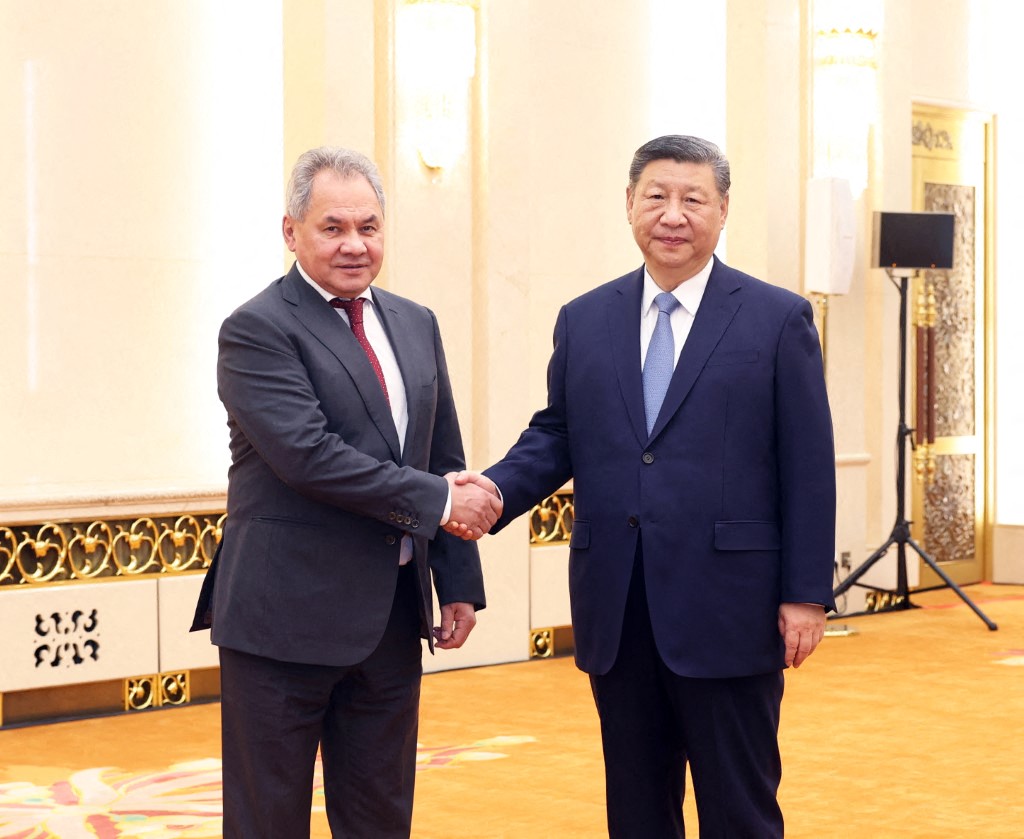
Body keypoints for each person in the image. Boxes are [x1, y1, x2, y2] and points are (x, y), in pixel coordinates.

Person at [450, 135, 836, 837]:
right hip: (620, 609)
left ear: (723, 211)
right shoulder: (586, 318)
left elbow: (808, 466)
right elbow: (559, 433)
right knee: (635, 808)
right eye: (656, 195)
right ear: (628, 203)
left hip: (731, 608)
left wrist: (805, 593)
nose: (673, 214)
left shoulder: (777, 320)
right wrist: (498, 491)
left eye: (694, 198)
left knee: (739, 807)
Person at [190, 146, 501, 838]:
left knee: (380, 817)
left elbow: (442, 455)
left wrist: (456, 578)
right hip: (282, 622)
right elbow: (309, 457)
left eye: (369, 226)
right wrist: (445, 503)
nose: (355, 244)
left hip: (389, 621)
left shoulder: (415, 322)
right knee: (269, 820)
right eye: (333, 227)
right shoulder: (257, 328)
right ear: (290, 231)